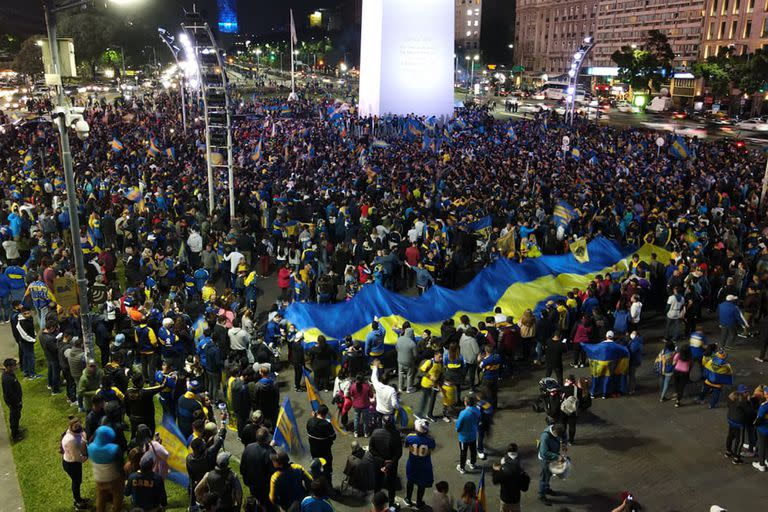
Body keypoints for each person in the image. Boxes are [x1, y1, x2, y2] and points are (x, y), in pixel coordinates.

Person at [90, 425, 124, 512]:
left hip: (99, 477)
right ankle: (116, 509)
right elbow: (120, 464)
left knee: (101, 496)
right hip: (113, 477)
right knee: (117, 495)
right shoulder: (114, 449)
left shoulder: (91, 448)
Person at [240, 427, 276, 509]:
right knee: (264, 503)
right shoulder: (270, 452)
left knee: (254, 499)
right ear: (266, 438)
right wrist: (270, 447)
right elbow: (273, 471)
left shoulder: (249, 447)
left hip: (250, 482)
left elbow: (243, 466)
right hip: (264, 486)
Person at [404, 419, 436, 508]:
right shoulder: (430, 440)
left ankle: (408, 499)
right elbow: (432, 449)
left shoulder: (410, 437)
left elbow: (406, 445)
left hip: (412, 464)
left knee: (410, 481)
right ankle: (419, 502)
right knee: (421, 484)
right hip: (424, 465)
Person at [60, 416, 90, 510]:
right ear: (71, 427)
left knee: (77, 481)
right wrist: (85, 457)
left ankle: (79, 499)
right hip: (72, 464)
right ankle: (77, 502)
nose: (79, 428)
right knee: (76, 482)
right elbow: (76, 457)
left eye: (79, 426)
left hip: (72, 462)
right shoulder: (71, 440)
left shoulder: (73, 433)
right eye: (76, 427)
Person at [492, 443, 529, 512]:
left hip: (505, 499)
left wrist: (495, 471)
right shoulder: (520, 473)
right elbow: (524, 488)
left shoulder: (503, 472)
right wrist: (525, 477)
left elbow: (495, 481)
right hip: (515, 500)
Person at [306, 404, 337, 485]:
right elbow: (333, 436)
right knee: (328, 469)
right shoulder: (326, 424)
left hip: (314, 450)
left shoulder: (310, 421)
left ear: (317, 412)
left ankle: (317, 483)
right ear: (325, 414)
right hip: (325, 451)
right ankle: (329, 485)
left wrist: (314, 417)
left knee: (316, 467)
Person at [537, 423, 565, 506]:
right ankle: (541, 495)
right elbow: (544, 453)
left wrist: (564, 443)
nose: (559, 437)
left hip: (552, 458)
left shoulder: (558, 429)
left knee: (549, 474)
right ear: (555, 431)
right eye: (558, 436)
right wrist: (557, 456)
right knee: (544, 477)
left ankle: (546, 488)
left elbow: (564, 435)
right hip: (545, 460)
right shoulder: (545, 437)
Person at [725, 385, 752, 464]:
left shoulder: (732, 397)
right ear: (743, 392)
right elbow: (749, 411)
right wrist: (749, 401)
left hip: (730, 420)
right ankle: (736, 458)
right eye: (747, 392)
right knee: (739, 440)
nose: (748, 393)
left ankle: (728, 452)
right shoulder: (743, 401)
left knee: (730, 435)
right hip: (739, 423)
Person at [455, 395, 481, 474]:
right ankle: (472, 463)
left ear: (465, 403)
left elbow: (459, 425)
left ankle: (462, 467)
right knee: (473, 450)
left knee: (463, 452)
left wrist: (457, 429)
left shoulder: (463, 413)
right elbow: (478, 421)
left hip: (463, 437)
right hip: (473, 435)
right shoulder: (477, 410)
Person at [417, 351, 444, 421]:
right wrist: (429, 376)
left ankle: (428, 414)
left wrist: (440, 387)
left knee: (432, 400)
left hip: (434, 385)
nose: (441, 358)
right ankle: (421, 414)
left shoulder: (440, 364)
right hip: (426, 385)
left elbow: (440, 375)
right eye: (439, 357)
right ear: (435, 356)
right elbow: (421, 371)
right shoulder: (429, 362)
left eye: (441, 357)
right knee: (426, 400)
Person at [2, 358, 23, 442]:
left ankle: (16, 430)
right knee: (14, 417)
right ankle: (15, 435)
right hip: (14, 402)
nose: (16, 367)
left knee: (16, 416)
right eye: (14, 366)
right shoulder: (7, 379)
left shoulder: (10, 374)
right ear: (8, 367)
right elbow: (9, 394)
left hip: (16, 401)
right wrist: (17, 401)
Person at [396, 326, 418, 393]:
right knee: (409, 375)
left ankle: (400, 387)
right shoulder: (412, 343)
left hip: (400, 360)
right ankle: (409, 388)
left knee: (401, 373)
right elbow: (415, 355)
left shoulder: (399, 339)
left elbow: (396, 348)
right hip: (409, 362)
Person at [672, 343, 692, 407]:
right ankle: (678, 401)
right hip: (684, 372)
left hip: (676, 371)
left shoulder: (678, 355)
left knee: (676, 383)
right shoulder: (690, 356)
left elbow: (674, 363)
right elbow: (691, 364)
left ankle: (676, 393)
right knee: (681, 386)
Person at [753, 385, 768, 472]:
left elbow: (759, 419)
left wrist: (755, 424)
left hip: (763, 429)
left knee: (762, 446)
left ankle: (761, 464)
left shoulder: (764, 406)